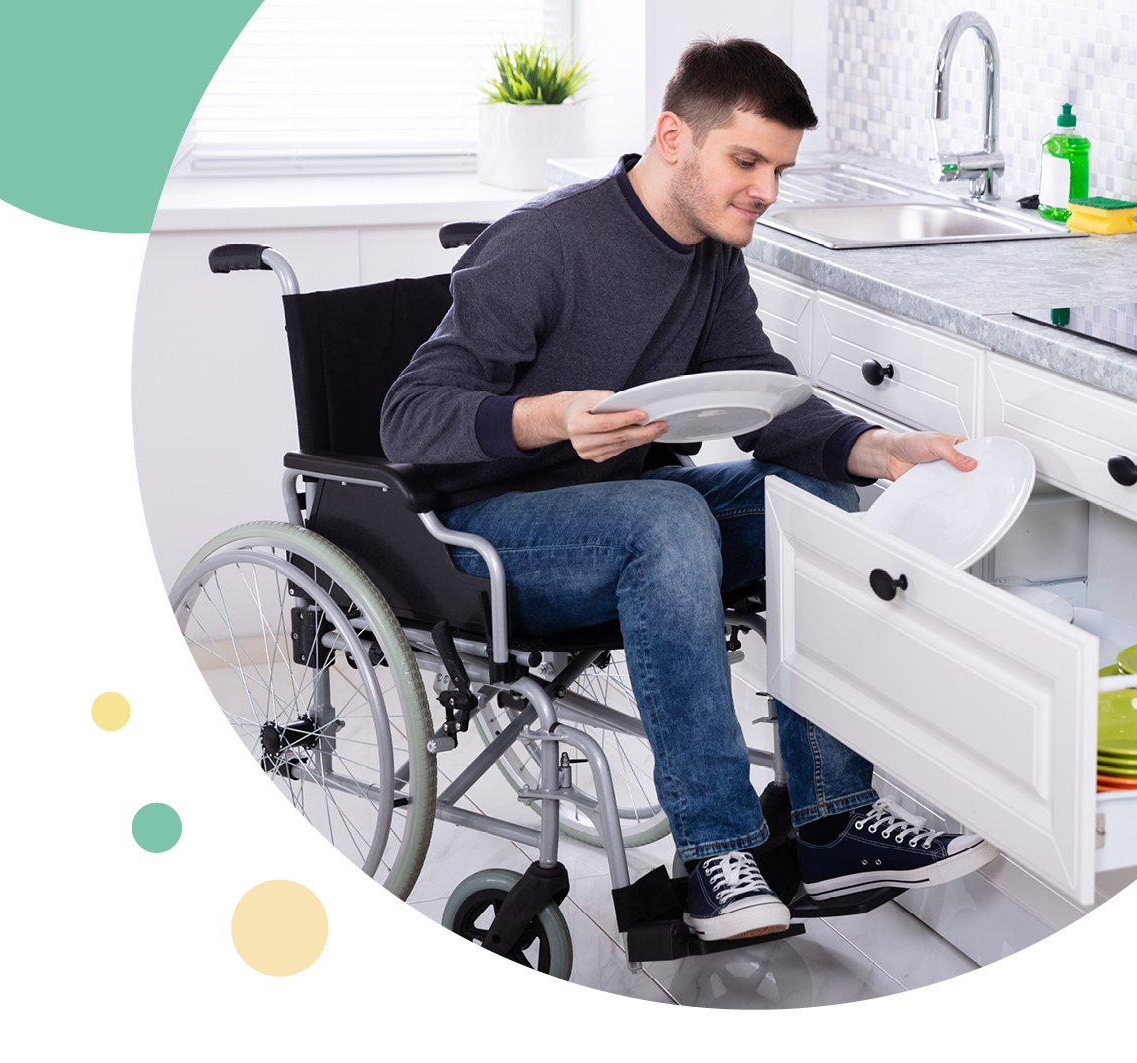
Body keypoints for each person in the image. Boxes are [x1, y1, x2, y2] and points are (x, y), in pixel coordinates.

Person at [381, 38, 999, 942]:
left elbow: (765, 399)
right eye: (745, 161)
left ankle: (829, 824)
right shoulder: (544, 244)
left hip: (623, 513)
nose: (766, 190)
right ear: (673, 137)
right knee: (667, 512)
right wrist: (550, 417)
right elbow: (409, 416)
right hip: (487, 532)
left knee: (809, 497)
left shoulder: (710, 255)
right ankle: (717, 854)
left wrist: (878, 447)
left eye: (779, 169)